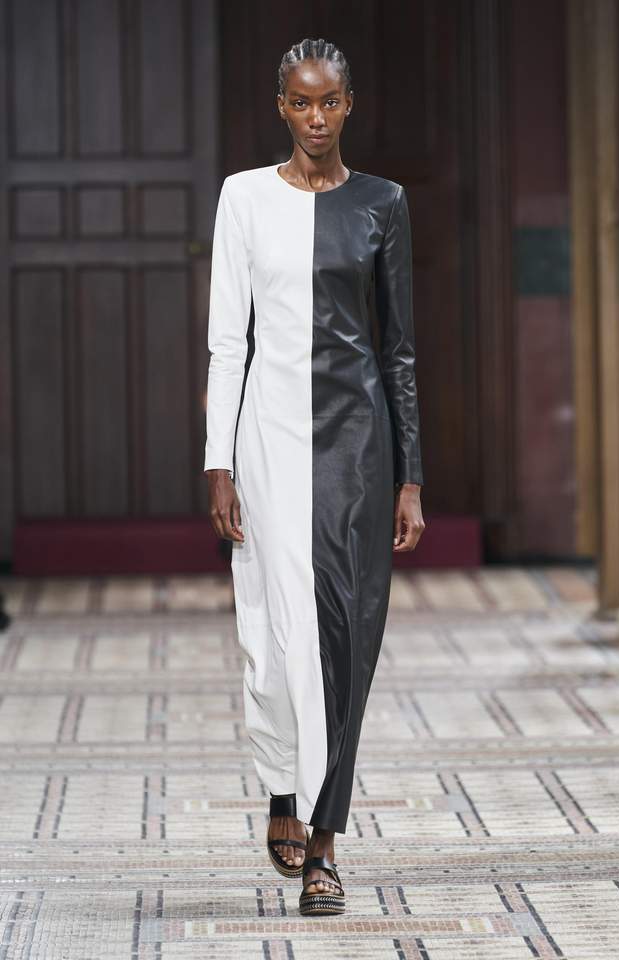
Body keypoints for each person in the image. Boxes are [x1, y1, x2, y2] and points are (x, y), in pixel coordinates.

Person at [204, 37, 425, 916]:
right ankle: (282, 789)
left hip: (357, 444)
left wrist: (410, 477)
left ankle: (325, 843)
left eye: (329, 100)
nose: (316, 117)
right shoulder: (243, 197)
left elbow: (399, 349)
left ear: (349, 103)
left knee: (347, 636)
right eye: (301, 102)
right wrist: (218, 460)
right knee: (275, 633)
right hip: (266, 436)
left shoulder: (382, 203)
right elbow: (228, 341)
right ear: (281, 107)